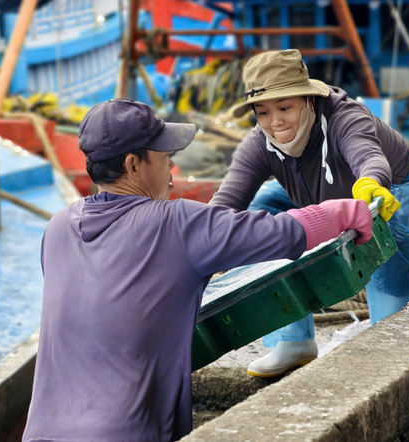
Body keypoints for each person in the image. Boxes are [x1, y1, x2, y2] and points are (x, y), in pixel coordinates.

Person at [22, 98, 375, 441]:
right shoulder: (176, 223)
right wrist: (351, 212)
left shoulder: (57, 228)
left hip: (41, 432)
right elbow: (283, 233)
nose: (172, 170)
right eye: (165, 159)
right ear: (132, 164)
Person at [210, 49, 409, 377]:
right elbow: (227, 202)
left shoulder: (345, 116)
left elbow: (368, 155)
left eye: (285, 107)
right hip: (323, 200)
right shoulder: (260, 143)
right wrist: (197, 245)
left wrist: (370, 184)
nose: (275, 122)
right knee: (256, 220)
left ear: (309, 100)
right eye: (262, 112)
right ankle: (292, 340)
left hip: (395, 187)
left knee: (384, 233)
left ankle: (392, 337)